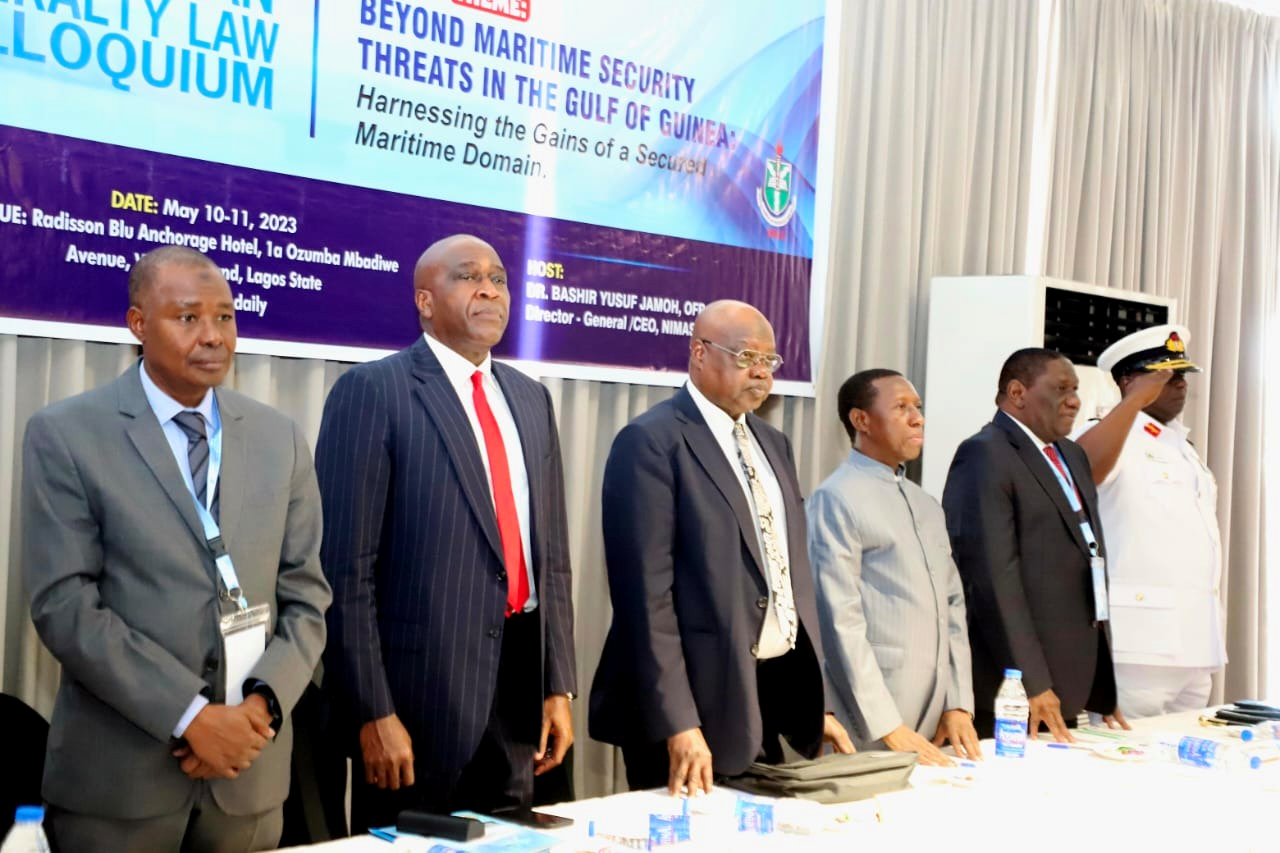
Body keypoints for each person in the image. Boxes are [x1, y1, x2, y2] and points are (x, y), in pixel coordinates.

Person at [21, 245, 332, 852]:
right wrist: (191, 717)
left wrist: (260, 710)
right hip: (120, 785)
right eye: (188, 318)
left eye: (225, 317)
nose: (213, 336)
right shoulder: (66, 434)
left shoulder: (281, 438)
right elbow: (65, 605)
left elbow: (307, 595)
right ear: (138, 324)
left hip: (249, 776)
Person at [316, 234, 575, 829]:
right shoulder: (374, 391)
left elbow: (553, 559)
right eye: (468, 276)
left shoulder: (531, 399)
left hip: (518, 685)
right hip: (417, 699)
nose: (489, 289)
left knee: (511, 842)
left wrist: (557, 685)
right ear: (425, 301)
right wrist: (372, 711)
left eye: (498, 278)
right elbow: (345, 571)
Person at [589, 300, 853, 796]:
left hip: (764, 695)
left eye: (769, 361)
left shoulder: (773, 443)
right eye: (746, 356)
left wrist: (815, 705)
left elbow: (786, 574)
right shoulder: (651, 441)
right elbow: (644, 598)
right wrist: (679, 722)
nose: (761, 372)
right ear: (699, 353)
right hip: (688, 704)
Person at [941, 348, 1128, 742]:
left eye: (1075, 390)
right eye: (1061, 389)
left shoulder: (1071, 454)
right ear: (1017, 393)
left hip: (1068, 681)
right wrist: (1031, 682)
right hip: (1015, 690)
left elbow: (1088, 557)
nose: (1074, 401)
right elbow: (992, 579)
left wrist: (1101, 682)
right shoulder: (985, 453)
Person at [808, 370, 979, 765]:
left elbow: (953, 607)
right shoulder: (836, 498)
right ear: (861, 420)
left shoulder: (926, 505)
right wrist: (886, 723)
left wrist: (957, 703)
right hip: (870, 715)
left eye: (918, 407)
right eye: (901, 407)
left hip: (936, 714)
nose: (918, 418)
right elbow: (837, 618)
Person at [1072, 325, 1224, 716]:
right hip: (1138, 644)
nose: (1180, 384)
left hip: (1195, 644)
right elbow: (1079, 473)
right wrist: (1135, 402)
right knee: (1128, 750)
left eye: (1183, 375)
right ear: (1128, 381)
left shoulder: (1181, 447)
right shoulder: (1108, 433)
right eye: (1166, 376)